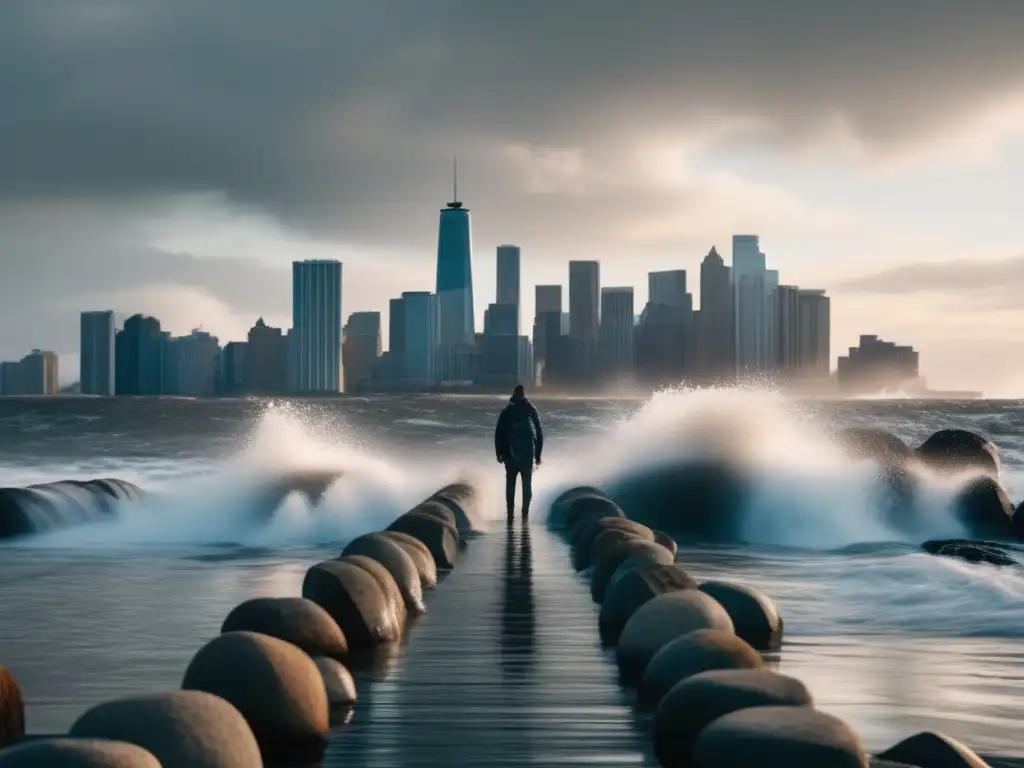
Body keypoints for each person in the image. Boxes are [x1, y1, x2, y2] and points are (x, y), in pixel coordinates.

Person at [494, 384, 543, 521]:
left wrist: (499, 452)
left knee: (511, 485)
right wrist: (538, 454)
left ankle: (510, 514)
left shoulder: (507, 410)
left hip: (510, 455)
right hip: (527, 455)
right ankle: (524, 514)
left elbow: (499, 432)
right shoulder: (530, 409)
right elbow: (539, 432)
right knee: (526, 486)